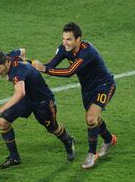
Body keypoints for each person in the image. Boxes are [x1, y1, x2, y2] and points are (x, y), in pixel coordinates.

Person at [32, 22, 117, 169]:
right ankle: (109, 139)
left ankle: (92, 154)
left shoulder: (87, 51)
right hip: (87, 90)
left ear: (78, 39)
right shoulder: (63, 48)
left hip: (104, 86)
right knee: (94, 118)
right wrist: (29, 64)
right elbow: (51, 66)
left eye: (69, 39)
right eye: (64, 38)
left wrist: (44, 69)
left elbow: (69, 72)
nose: (65, 42)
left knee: (90, 118)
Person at [0, 50, 76, 169]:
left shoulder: (17, 71)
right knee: (2, 122)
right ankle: (14, 157)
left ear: (7, 62)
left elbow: (20, 92)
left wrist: (1, 109)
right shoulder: (10, 56)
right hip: (26, 100)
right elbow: (22, 50)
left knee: (53, 128)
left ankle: (68, 140)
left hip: (43, 103)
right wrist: (26, 61)